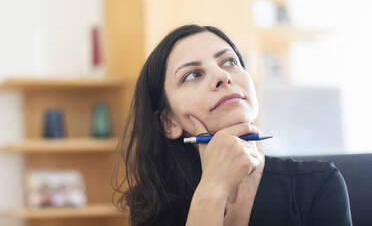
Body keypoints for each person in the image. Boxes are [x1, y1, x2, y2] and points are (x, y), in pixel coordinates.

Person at [112, 25, 352, 226]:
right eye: (193, 75)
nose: (222, 76)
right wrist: (211, 192)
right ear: (168, 122)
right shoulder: (154, 205)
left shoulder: (318, 183)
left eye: (229, 62)